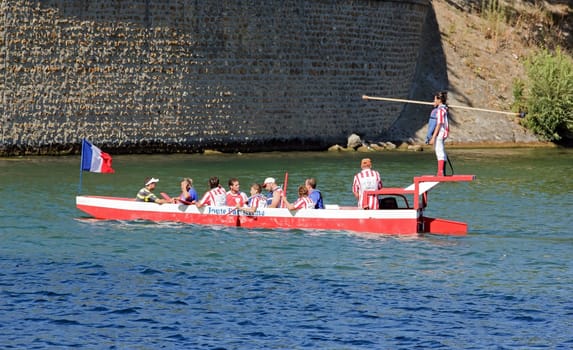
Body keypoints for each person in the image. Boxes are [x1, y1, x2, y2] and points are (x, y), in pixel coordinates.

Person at [427, 91, 450, 176]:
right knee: (441, 150)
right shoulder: (443, 108)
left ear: (439, 100)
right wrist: (436, 104)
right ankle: (442, 171)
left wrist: (433, 137)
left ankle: (440, 172)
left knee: (439, 150)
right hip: (443, 132)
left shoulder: (440, 110)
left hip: (440, 132)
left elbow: (439, 123)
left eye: (435, 99)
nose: (434, 100)